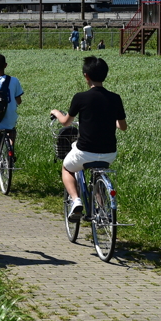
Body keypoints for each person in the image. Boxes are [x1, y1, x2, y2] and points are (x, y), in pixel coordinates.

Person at [51, 56, 128, 222]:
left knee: (67, 168)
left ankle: (76, 200)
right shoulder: (115, 98)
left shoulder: (80, 97)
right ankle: (102, 212)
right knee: (97, 172)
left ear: (86, 76)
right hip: (109, 153)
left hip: (85, 152)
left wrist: (56, 113)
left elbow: (65, 123)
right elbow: (123, 126)